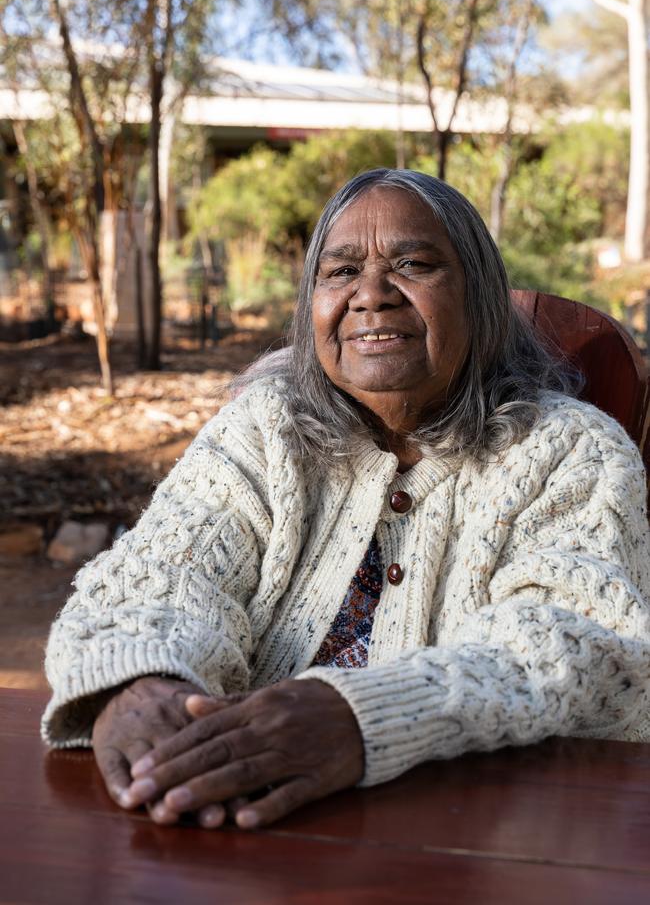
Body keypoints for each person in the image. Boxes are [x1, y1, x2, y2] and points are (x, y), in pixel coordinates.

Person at [42, 168, 650, 832]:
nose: (371, 295)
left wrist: (364, 718)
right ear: (312, 305)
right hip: (239, 826)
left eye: (413, 264)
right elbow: (157, 577)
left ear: (479, 297)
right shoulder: (265, 426)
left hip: (474, 838)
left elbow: (570, 643)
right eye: (339, 271)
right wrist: (142, 680)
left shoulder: (571, 449)